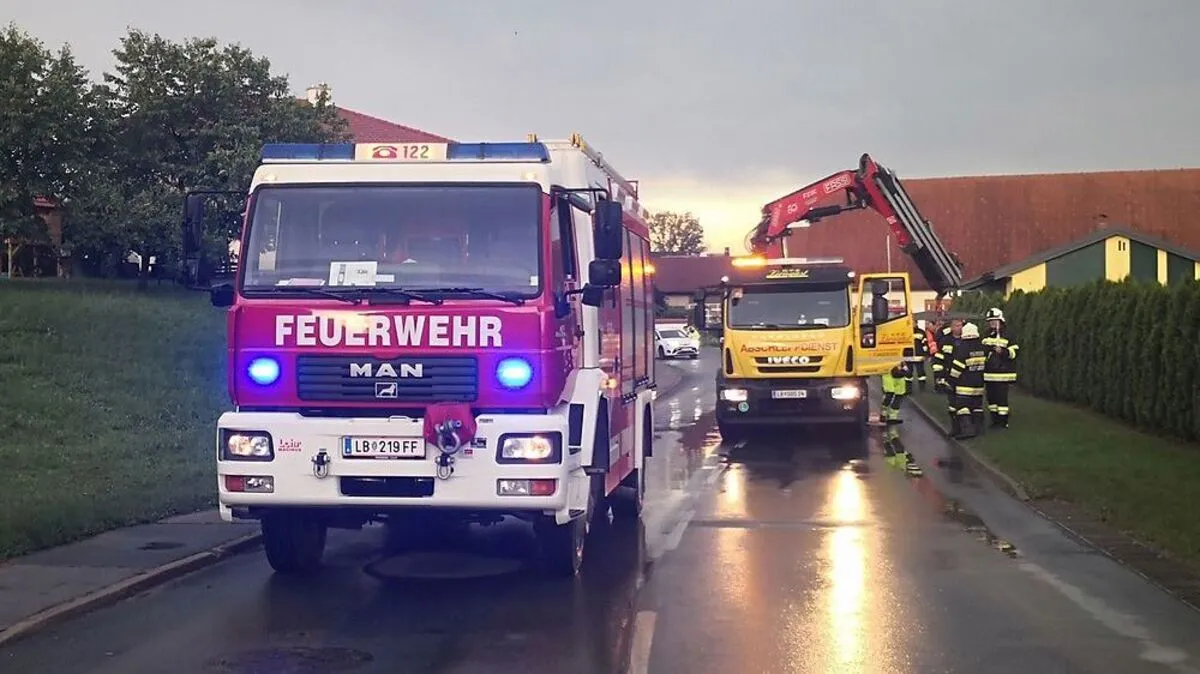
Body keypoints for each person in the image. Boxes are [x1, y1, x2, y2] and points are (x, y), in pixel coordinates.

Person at [947, 322, 988, 439]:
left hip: (964, 384)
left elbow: (956, 369)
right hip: (979, 384)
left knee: (962, 408)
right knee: (977, 407)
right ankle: (979, 430)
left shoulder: (963, 348)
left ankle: (967, 430)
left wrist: (950, 382)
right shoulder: (981, 347)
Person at [881, 361, 922, 476]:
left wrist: (904, 368)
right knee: (889, 394)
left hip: (899, 375)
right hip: (888, 371)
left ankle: (892, 416)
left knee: (899, 395)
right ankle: (884, 413)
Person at [982, 307, 1019, 428]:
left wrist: (1003, 351)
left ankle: (1003, 422)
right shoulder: (986, 335)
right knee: (991, 399)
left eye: (995, 320)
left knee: (1001, 399)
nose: (992, 323)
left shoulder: (1008, 334)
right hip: (989, 374)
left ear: (1001, 321)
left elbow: (1015, 352)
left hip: (1003, 374)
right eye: (991, 321)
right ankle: (994, 420)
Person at [907, 319, 929, 392]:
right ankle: (908, 389)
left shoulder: (921, 332)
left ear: (916, 323)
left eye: (913, 323)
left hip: (918, 355)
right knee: (908, 373)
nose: (912, 324)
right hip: (908, 355)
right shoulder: (906, 331)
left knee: (921, 373)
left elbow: (925, 344)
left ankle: (922, 388)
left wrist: (926, 354)